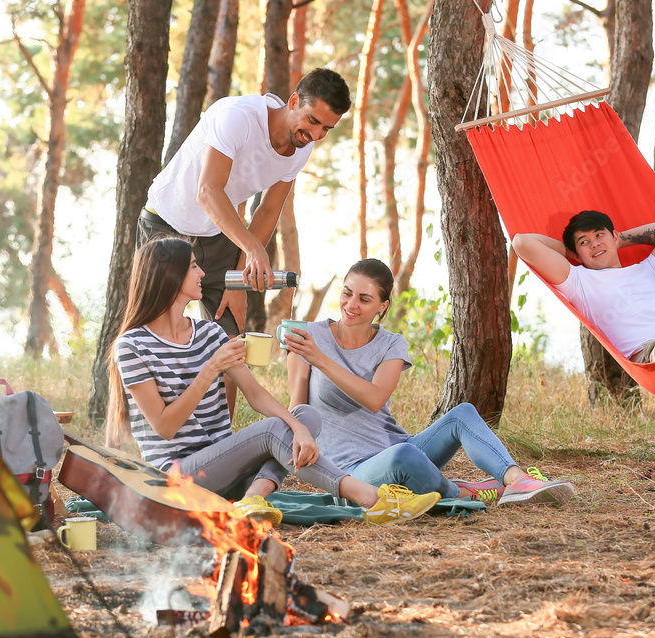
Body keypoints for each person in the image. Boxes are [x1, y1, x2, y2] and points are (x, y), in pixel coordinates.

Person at [108, 238, 440, 527]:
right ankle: (374, 500)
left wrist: (298, 428)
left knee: (305, 416)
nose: (202, 274)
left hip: (227, 470)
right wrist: (210, 370)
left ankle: (252, 500)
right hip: (178, 478)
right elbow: (165, 427)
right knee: (272, 431)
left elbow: (255, 394)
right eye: (194, 267)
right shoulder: (133, 346)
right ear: (171, 276)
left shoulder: (208, 332)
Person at [139, 68, 351, 415]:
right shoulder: (237, 117)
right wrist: (252, 249)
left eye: (326, 128)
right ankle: (137, 429)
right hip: (166, 223)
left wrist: (239, 282)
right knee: (152, 334)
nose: (315, 135)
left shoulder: (301, 148)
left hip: (221, 234)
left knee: (231, 338)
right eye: (312, 121)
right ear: (294, 101)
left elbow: (268, 212)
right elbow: (207, 192)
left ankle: (221, 437)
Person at [283, 258, 575, 506]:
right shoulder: (308, 337)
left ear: (382, 307)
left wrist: (320, 360)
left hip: (402, 447)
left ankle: (518, 481)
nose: (351, 304)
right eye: (347, 293)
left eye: (364, 299)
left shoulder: (391, 344)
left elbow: (374, 399)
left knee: (462, 413)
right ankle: (462, 492)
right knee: (403, 457)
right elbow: (297, 412)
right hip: (351, 471)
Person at [511, 211, 655, 364]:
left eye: (599, 235)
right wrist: (572, 253)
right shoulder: (579, 282)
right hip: (652, 356)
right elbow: (521, 242)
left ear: (613, 236)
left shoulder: (648, 271)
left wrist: (620, 240)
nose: (594, 244)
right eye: (584, 242)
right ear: (576, 254)